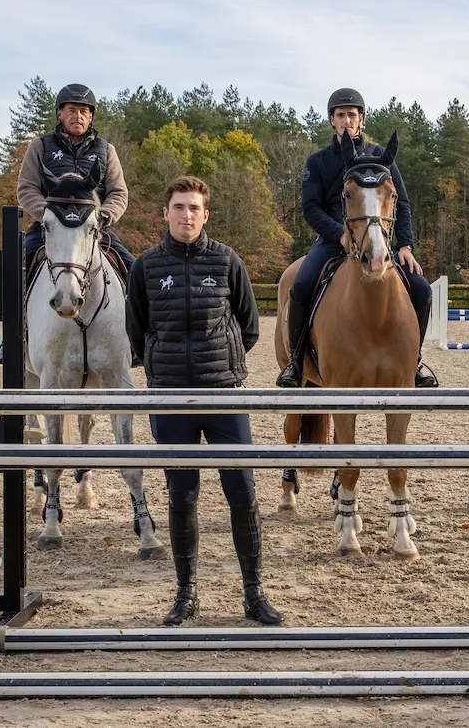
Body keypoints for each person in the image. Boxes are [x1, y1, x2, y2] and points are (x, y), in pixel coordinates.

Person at [127, 175, 282, 626]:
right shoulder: (146, 266)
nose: (186, 215)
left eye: (194, 207)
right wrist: (163, 366)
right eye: (179, 207)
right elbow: (136, 329)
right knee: (181, 494)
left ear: (205, 214)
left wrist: (222, 363)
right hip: (171, 396)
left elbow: (250, 327)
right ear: (166, 213)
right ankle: (185, 594)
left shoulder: (227, 260)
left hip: (223, 393)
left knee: (243, 492)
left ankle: (254, 594)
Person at [276, 87, 437, 389]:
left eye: (352, 114)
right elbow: (310, 208)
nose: (347, 120)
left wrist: (405, 245)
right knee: (299, 286)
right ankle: (296, 363)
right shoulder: (318, 161)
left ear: (361, 118)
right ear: (332, 121)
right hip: (333, 239)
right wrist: (338, 233)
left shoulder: (380, 156)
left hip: (377, 240)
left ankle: (413, 362)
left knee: (422, 289)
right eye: (341, 115)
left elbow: (399, 201)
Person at [16, 83, 136, 277]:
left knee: (135, 271)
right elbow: (26, 188)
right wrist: (48, 214)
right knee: (13, 269)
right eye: (71, 110)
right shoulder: (40, 146)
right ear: (60, 114)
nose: (77, 116)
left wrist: (102, 217)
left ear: (91, 117)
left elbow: (118, 192)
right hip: (47, 228)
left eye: (83, 111)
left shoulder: (107, 150)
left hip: (94, 227)